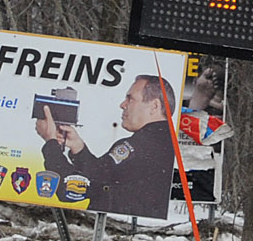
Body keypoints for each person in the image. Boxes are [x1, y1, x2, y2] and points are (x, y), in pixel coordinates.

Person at [34, 73, 177, 218]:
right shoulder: (166, 143)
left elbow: (72, 189)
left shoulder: (137, 146)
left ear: (154, 106)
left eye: (130, 99)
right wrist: (79, 148)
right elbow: (102, 177)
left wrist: (50, 143)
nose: (123, 105)